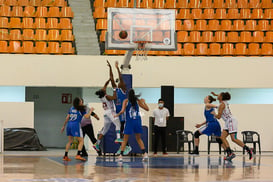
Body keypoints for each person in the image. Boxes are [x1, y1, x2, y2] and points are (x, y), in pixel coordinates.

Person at [211, 91, 253, 161]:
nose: (217, 96)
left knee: (233, 139)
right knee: (221, 138)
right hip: (228, 122)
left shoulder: (222, 105)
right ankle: (230, 153)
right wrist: (215, 94)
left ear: (221, 97)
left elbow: (218, 117)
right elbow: (220, 95)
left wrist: (214, 114)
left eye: (219, 95)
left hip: (231, 121)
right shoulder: (224, 101)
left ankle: (248, 149)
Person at [93, 61, 122, 152]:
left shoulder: (102, 96)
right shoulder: (107, 97)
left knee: (104, 131)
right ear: (104, 92)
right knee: (118, 124)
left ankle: (97, 143)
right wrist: (114, 90)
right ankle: (118, 138)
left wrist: (109, 79)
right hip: (110, 112)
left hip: (105, 114)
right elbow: (114, 97)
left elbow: (105, 85)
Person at [115, 89, 149, 162]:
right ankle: (145, 154)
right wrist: (144, 102)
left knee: (125, 139)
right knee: (139, 139)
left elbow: (122, 111)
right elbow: (147, 109)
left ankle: (120, 156)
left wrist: (117, 115)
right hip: (137, 121)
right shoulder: (138, 101)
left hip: (129, 122)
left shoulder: (126, 101)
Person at [61, 97, 94, 161]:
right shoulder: (81, 109)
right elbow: (86, 117)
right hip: (76, 125)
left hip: (69, 125)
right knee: (81, 141)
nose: (82, 102)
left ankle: (65, 156)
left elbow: (67, 117)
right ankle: (78, 155)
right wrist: (90, 111)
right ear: (79, 102)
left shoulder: (71, 108)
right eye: (81, 101)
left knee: (70, 141)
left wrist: (63, 126)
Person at [114, 61, 132, 155]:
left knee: (122, 132)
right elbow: (113, 80)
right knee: (119, 133)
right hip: (117, 114)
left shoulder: (123, 90)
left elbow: (120, 78)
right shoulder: (116, 91)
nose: (119, 83)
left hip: (123, 115)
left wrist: (117, 68)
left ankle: (127, 146)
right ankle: (123, 147)